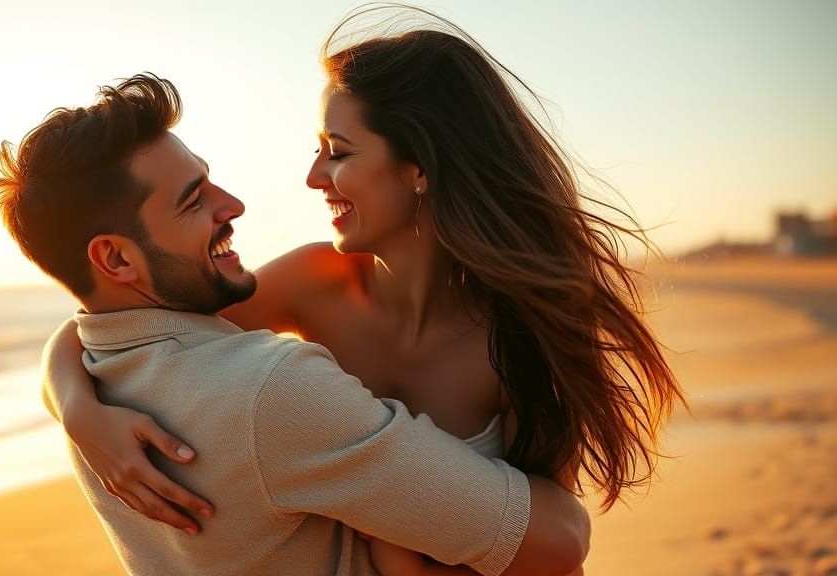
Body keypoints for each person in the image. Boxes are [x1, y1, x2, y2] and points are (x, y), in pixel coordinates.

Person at [42, 5, 683, 575]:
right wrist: (78, 408)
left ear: (420, 169)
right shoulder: (312, 283)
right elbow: (119, 321)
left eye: (338, 151)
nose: (314, 176)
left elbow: (552, 546)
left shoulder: (520, 335)